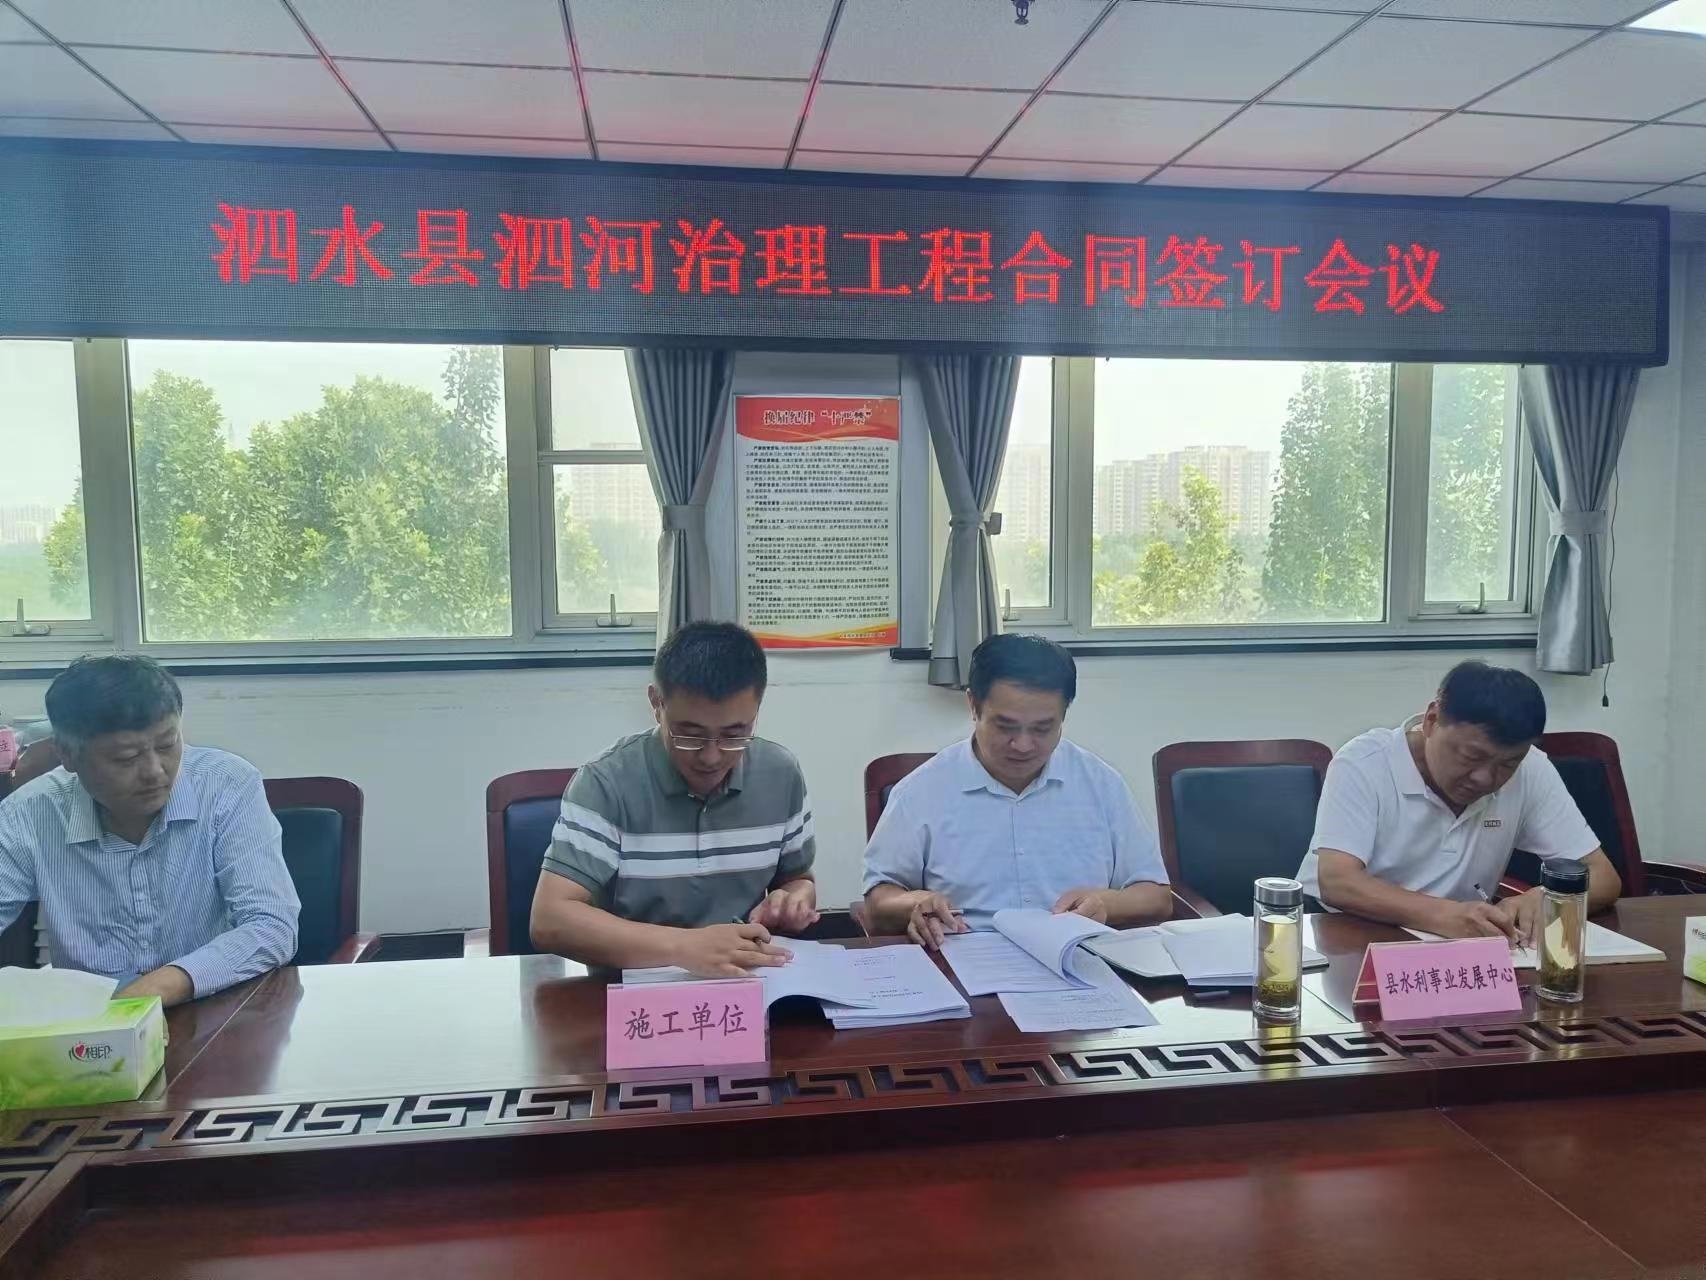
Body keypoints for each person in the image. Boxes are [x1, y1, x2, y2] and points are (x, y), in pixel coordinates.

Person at [0, 655, 299, 1007]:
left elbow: (271, 925)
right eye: (126, 758)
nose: (155, 772)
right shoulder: (29, 813)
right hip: (92, 1021)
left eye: (167, 745)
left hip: (214, 1009)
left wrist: (152, 992)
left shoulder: (226, 785)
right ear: (68, 755)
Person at [530, 621, 818, 977]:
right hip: (629, 992)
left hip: (745, 986)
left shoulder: (780, 774)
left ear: (756, 710)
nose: (711, 757)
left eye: (734, 734)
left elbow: (798, 879)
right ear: (657, 703)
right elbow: (550, 919)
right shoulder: (606, 783)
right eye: (689, 735)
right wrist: (684, 947)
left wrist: (794, 900)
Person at [861, 633, 1171, 947]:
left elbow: (1156, 896)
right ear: (973, 705)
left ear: (1064, 714)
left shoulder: (1100, 784)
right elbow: (878, 901)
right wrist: (916, 904)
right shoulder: (922, 790)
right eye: (1005, 726)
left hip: (1077, 957)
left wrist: (1105, 904)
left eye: (1042, 728)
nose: (1023, 745)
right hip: (965, 955)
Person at [1298, 661, 1620, 940]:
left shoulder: (1531, 769)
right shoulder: (1366, 762)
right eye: (1471, 756)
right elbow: (1338, 881)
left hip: (1456, 941)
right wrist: (1444, 914)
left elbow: (1603, 876)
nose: (1485, 778)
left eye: (1507, 764)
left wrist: (1546, 898)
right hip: (1342, 930)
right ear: (1431, 720)